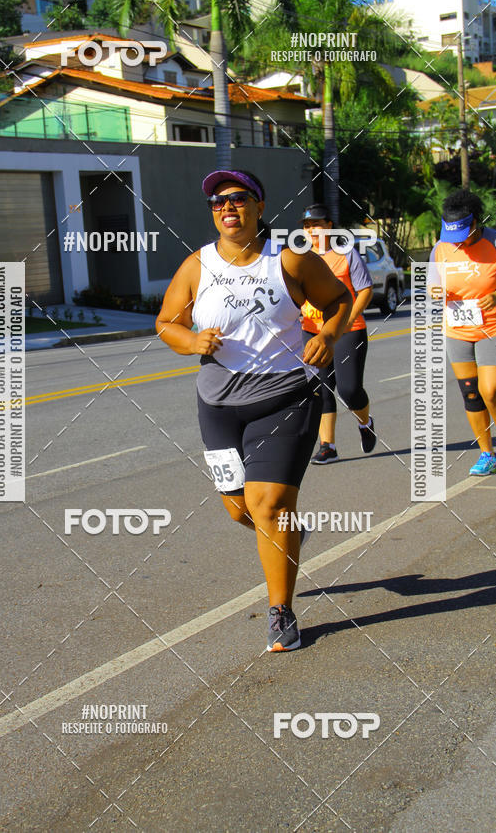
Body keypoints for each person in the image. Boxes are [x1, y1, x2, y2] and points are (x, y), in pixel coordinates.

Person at [155, 170, 352, 651]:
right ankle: (290, 535)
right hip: (218, 405)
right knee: (239, 509)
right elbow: (165, 323)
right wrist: (190, 340)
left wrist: (327, 334)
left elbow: (339, 300)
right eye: (218, 201)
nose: (228, 207)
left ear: (260, 207)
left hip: (284, 398)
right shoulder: (196, 266)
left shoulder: (289, 260)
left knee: (269, 504)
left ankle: (281, 611)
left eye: (239, 199)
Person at [430, 188, 496, 475]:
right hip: (457, 329)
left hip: (494, 325)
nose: (460, 242)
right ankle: (486, 453)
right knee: (471, 393)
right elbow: (431, 286)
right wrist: (438, 293)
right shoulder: (440, 248)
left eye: (464, 234)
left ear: (476, 222)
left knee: (490, 389)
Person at [299, 204, 376, 464]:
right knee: (320, 389)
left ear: (329, 226)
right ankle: (327, 446)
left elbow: (365, 289)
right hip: (312, 332)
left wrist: (349, 318)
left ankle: (365, 423)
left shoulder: (346, 254)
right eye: (308, 226)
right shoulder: (300, 257)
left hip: (348, 332)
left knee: (349, 389)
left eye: (317, 224)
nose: (312, 230)